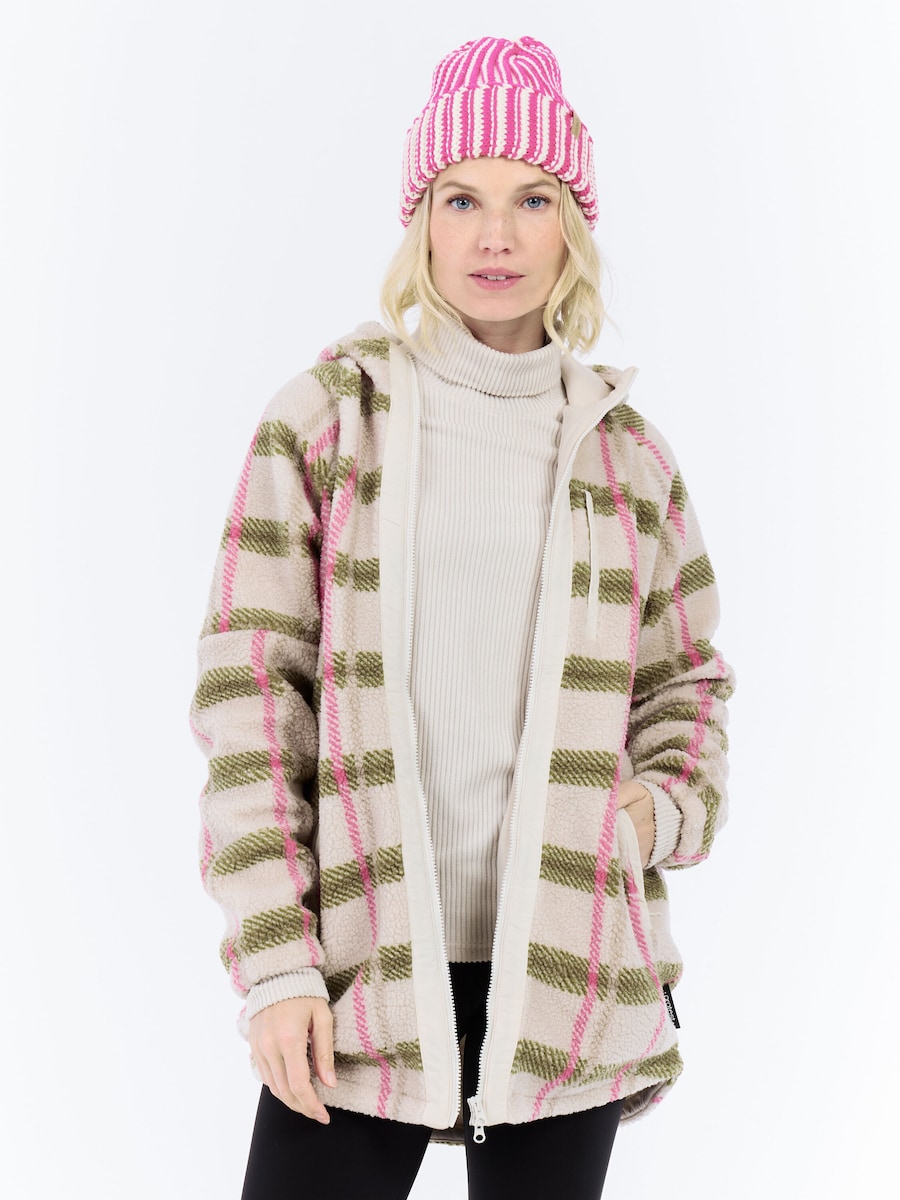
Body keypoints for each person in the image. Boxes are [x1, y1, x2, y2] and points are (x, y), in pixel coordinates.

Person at [191, 34, 734, 1200]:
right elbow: (251, 697)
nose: (497, 235)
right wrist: (276, 964)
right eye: (463, 198)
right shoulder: (328, 421)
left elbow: (687, 685)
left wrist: (649, 814)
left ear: (571, 226)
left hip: (569, 979)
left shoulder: (629, 461)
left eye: (533, 199)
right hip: (363, 971)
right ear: (422, 222)